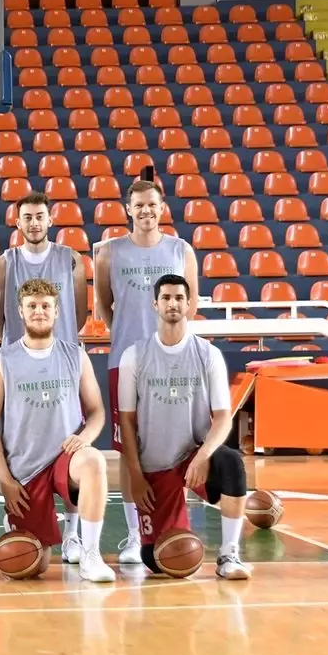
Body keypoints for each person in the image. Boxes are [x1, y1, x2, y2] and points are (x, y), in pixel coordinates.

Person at [0, 279, 116, 583]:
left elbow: (97, 412)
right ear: (20, 312)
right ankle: (20, 522)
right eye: (32, 306)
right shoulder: (2, 360)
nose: (39, 312)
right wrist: (5, 479)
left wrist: (84, 438)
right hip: (26, 469)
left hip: (65, 458)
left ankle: (89, 553)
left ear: (56, 312)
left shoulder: (75, 355)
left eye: (45, 306)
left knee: (93, 461)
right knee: (31, 566)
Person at [117, 274, 251, 580]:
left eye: (179, 298)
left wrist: (203, 456)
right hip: (156, 464)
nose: (173, 304)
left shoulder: (208, 354)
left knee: (230, 461)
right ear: (155, 304)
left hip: (193, 455)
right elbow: (126, 420)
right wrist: (136, 476)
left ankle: (230, 554)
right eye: (166, 298)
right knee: (158, 558)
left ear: (189, 305)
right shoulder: (135, 355)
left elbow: (222, 417)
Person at [93, 177, 198, 565]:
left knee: (177, 445)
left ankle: (173, 524)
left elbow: (191, 304)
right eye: (138, 205)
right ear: (128, 209)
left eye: (152, 204)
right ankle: (135, 535)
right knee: (127, 450)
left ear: (162, 206)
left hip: (172, 363)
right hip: (126, 361)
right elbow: (104, 307)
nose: (146, 211)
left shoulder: (180, 250)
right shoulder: (109, 253)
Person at [0, 191, 88, 563]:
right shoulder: (5, 263)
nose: (33, 223)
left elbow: (78, 310)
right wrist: (14, 348)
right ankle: (16, 506)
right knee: (20, 443)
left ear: (50, 221)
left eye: (40, 216)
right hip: (20, 362)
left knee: (72, 442)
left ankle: (75, 535)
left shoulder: (70, 259)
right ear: (18, 222)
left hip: (61, 362)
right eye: (27, 217)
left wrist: (62, 348)